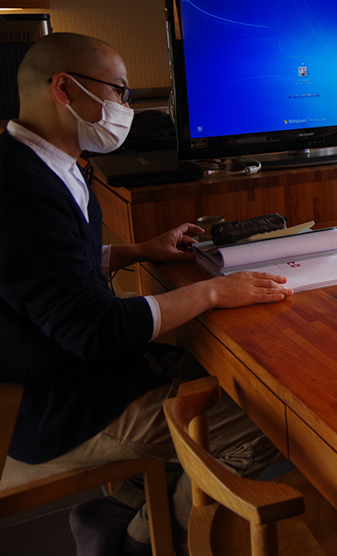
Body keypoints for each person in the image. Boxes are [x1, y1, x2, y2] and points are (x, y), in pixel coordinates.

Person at [0, 32, 294, 554]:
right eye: (119, 91)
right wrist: (213, 293)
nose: (126, 108)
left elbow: (47, 273)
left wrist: (137, 250)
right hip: (55, 407)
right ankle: (150, 540)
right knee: (266, 420)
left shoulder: (45, 161)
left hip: (70, 374)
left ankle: (118, 510)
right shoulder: (21, 191)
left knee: (211, 375)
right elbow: (95, 329)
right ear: (65, 89)